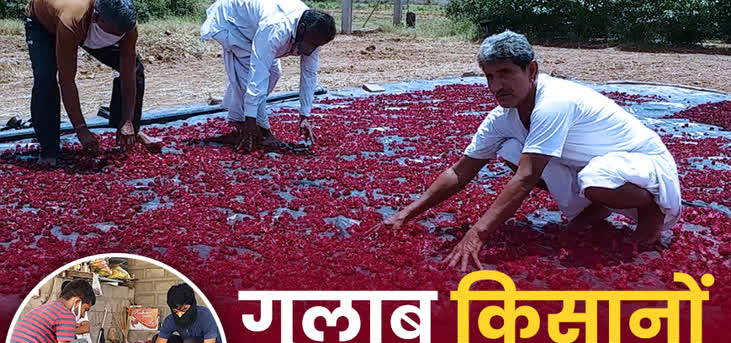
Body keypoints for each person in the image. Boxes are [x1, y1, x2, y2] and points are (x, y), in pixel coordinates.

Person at [373, 31, 682, 272]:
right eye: (490, 76)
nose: (497, 85)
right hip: (590, 167)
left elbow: (527, 177)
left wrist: (478, 234)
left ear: (532, 70)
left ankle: (650, 210)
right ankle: (595, 209)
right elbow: (461, 170)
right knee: (510, 149)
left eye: (506, 73)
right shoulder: (502, 118)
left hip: (644, 166)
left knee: (590, 176)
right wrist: (406, 214)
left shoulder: (555, 102)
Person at [24, 0, 161, 164]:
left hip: (86, 29)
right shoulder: (73, 18)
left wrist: (128, 120)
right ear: (97, 18)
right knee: (45, 79)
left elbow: (128, 73)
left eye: (120, 36)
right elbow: (67, 81)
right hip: (44, 24)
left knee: (136, 68)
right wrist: (81, 129)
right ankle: (49, 149)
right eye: (112, 34)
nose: (116, 39)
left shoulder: (127, 25)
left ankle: (129, 132)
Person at [200, 0, 336, 150]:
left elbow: (309, 74)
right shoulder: (276, 27)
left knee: (274, 73)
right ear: (302, 28)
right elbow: (258, 72)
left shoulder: (313, 34)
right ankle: (255, 128)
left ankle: (247, 123)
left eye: (316, 46)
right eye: (311, 43)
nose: (311, 50)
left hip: (256, 23)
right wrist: (251, 119)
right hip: (234, 21)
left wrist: (305, 115)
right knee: (249, 76)